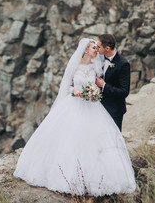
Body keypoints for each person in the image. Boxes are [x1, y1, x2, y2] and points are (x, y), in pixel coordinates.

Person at [13, 38, 136, 196]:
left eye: (97, 47)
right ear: (85, 50)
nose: (96, 50)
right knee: (70, 137)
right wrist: (75, 91)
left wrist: (95, 92)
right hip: (73, 104)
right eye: (93, 48)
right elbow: (68, 85)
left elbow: (99, 84)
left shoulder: (96, 67)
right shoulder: (74, 66)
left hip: (92, 107)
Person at [95, 34, 130, 131]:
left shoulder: (123, 64)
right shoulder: (99, 58)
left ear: (107, 48)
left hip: (114, 110)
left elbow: (124, 91)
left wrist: (104, 86)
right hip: (99, 107)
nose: (96, 48)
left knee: (114, 139)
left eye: (99, 47)